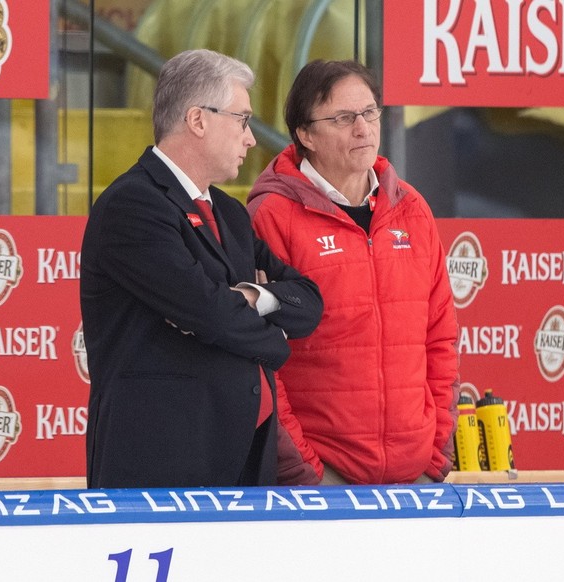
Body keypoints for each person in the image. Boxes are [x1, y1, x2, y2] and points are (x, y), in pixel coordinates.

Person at [80, 49, 323, 489]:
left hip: (243, 460)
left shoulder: (228, 212)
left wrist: (253, 297)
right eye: (243, 120)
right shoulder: (132, 205)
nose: (251, 139)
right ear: (198, 120)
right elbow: (211, 314)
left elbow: (308, 300)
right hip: (162, 464)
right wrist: (275, 336)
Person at [247, 59, 460, 485]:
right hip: (324, 481)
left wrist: (434, 452)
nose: (363, 128)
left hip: (413, 477)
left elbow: (440, 336)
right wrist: (305, 470)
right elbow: (258, 358)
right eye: (344, 118)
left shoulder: (412, 209)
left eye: (369, 112)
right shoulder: (271, 216)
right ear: (305, 134)